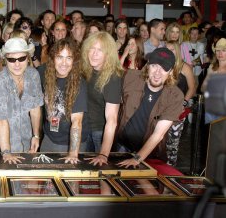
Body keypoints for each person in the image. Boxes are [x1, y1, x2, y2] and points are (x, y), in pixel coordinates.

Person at [116, 48, 183, 167]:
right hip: (121, 145)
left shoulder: (175, 96)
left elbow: (158, 134)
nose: (158, 72)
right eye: (154, 66)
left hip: (149, 153)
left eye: (164, 68)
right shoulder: (130, 77)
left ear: (171, 72)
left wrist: (137, 159)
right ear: (147, 66)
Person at [0, 38, 43, 164]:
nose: (17, 64)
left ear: (28, 57)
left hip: (27, 141)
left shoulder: (33, 75)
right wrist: (6, 152)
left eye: (21, 58)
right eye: (12, 59)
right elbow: (1, 121)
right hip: (5, 146)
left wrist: (35, 135)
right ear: (5, 60)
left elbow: (35, 108)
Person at [38, 38, 89, 164]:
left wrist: (72, 153)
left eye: (69, 58)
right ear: (53, 58)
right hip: (49, 138)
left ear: (74, 61)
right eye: (60, 57)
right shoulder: (44, 73)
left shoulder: (78, 83)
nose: (64, 63)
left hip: (70, 143)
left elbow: (77, 121)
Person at [81, 32, 123, 165]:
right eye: (92, 48)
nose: (94, 53)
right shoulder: (86, 69)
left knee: (100, 172)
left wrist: (103, 154)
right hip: (84, 128)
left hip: (100, 132)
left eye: (100, 50)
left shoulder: (112, 77)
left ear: (108, 54)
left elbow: (112, 120)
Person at [165, 41, 196, 166]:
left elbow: (192, 88)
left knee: (173, 142)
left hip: (178, 110)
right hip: (162, 109)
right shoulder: (162, 65)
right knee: (159, 141)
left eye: (172, 49)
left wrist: (183, 103)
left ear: (177, 51)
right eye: (167, 49)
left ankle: (170, 171)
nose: (169, 52)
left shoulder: (185, 67)